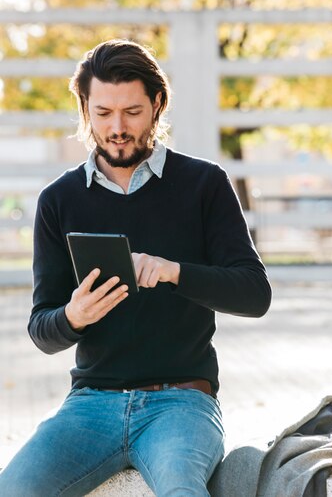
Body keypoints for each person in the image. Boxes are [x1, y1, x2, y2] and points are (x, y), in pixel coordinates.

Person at [0, 39, 272, 497]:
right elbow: (41, 327)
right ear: (85, 108)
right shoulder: (58, 201)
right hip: (90, 406)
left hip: (182, 402)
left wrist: (174, 271)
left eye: (132, 111)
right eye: (103, 112)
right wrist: (73, 317)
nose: (117, 127)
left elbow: (254, 294)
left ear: (157, 105)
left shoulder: (204, 184)